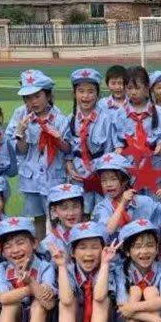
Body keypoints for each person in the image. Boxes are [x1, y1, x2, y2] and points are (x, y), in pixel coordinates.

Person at [12, 72, 72, 239]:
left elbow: (68, 149)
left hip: (53, 176)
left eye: (37, 96)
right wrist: (20, 133)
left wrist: (58, 139)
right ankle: (39, 247)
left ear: (48, 95)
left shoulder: (59, 119)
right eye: (28, 98)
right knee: (37, 218)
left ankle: (58, 249)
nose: (33, 101)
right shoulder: (21, 117)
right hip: (30, 179)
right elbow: (22, 151)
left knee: (56, 218)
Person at [111, 65, 161, 191]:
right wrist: (118, 148)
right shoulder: (119, 114)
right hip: (130, 167)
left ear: (146, 87)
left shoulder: (160, 113)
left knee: (155, 199)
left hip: (154, 166)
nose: (133, 92)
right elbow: (117, 139)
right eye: (129, 88)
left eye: (137, 88)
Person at [65, 67, 110, 215]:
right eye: (81, 91)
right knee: (80, 213)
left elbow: (110, 149)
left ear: (98, 94)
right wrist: (69, 166)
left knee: (103, 212)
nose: (86, 96)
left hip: (101, 174)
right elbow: (67, 150)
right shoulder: (70, 120)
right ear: (74, 93)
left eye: (91, 91)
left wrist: (104, 173)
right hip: (78, 175)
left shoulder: (107, 119)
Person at [90, 152, 161, 237]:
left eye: (113, 179)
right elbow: (107, 231)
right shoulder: (102, 207)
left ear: (125, 181)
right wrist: (122, 204)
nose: (108, 184)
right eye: (104, 180)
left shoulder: (145, 201)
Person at [40, 183, 86, 257]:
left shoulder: (90, 236)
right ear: (54, 211)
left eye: (75, 206)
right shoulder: (48, 244)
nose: (71, 213)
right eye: (64, 208)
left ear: (82, 208)